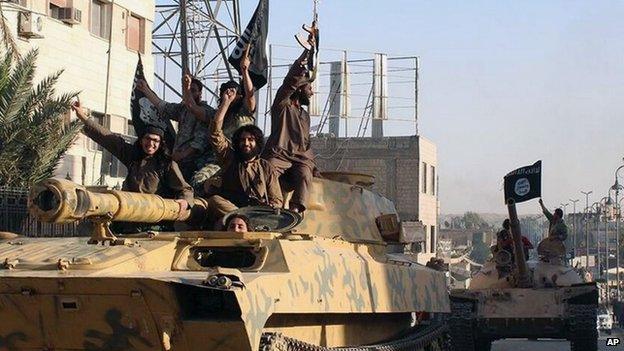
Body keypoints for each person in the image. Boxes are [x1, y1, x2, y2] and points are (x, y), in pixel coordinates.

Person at [71, 100, 193, 233]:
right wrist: (83, 117)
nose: (150, 143)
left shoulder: (166, 164)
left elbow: (185, 189)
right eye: (147, 139)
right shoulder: (133, 156)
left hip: (154, 224)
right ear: (141, 140)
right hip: (128, 220)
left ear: (160, 143)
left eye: (155, 140)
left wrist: (185, 202)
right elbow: (109, 138)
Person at [205, 87, 283, 227]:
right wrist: (226, 103)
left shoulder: (265, 167)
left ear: (257, 143)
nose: (246, 143)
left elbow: (276, 199)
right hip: (231, 210)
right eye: (242, 140)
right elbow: (215, 133)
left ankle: (247, 220)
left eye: (250, 140)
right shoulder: (229, 157)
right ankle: (243, 218)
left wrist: (272, 206)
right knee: (215, 201)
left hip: (258, 213)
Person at [263, 29, 317, 213]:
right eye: (309, 87)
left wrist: (312, 165)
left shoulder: (304, 115)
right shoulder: (283, 105)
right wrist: (307, 53)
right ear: (300, 89)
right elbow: (290, 81)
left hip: (299, 159)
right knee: (266, 171)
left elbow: (305, 144)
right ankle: (272, 206)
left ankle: (294, 212)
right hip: (279, 154)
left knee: (305, 175)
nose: (312, 92)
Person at [191, 50, 257, 190]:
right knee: (198, 180)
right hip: (222, 157)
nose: (231, 95)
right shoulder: (218, 113)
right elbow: (215, 126)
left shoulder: (244, 112)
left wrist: (244, 71)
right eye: (227, 93)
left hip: (243, 155)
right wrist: (226, 103)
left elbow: (250, 96)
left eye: (234, 93)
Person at [136, 74, 215, 184]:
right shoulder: (182, 109)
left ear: (200, 93)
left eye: (193, 90)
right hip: (179, 162)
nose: (190, 93)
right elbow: (162, 106)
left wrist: (180, 156)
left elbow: (199, 143)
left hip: (194, 163)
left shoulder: (206, 111)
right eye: (187, 90)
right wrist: (145, 89)